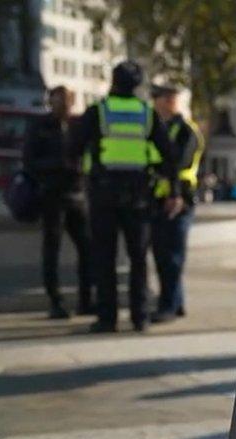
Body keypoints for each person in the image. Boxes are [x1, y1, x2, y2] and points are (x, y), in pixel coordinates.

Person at [69, 61, 179, 333]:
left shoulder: (98, 112)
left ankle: (108, 318)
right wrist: (170, 189)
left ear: (113, 81)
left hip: (103, 193)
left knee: (104, 257)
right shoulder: (147, 114)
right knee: (139, 258)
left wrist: (84, 172)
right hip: (139, 195)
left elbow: (72, 147)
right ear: (138, 85)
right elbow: (169, 156)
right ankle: (139, 316)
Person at [22, 85, 93, 319]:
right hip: (52, 194)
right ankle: (56, 300)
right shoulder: (39, 126)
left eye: (65, 101)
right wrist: (58, 166)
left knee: (87, 248)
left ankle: (86, 300)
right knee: (52, 249)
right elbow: (30, 161)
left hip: (76, 194)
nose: (61, 106)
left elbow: (89, 153)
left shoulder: (77, 126)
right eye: (56, 101)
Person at [148, 84, 204, 323]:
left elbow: (179, 163)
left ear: (170, 101)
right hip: (161, 199)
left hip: (180, 199)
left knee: (171, 256)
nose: (155, 103)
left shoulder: (186, 131)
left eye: (159, 99)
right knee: (163, 255)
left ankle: (168, 305)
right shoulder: (162, 128)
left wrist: (154, 167)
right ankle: (175, 302)